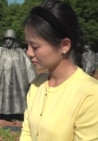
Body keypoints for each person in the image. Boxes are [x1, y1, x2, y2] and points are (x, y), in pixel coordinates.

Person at [20, 0, 98, 141]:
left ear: (65, 45)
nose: (29, 52)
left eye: (35, 46)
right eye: (27, 45)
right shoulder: (37, 85)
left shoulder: (90, 94)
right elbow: (27, 133)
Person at [0, 29, 36, 125]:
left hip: (16, 82)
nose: (8, 41)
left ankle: (16, 115)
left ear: (14, 40)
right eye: (6, 39)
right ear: (4, 40)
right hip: (1, 82)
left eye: (10, 39)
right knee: (1, 98)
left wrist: (32, 79)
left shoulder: (20, 53)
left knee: (16, 99)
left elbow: (28, 66)